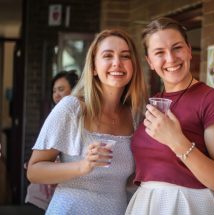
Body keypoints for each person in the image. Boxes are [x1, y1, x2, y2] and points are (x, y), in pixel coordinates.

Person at [27, 29, 147, 215]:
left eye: (125, 56)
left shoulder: (136, 115)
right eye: (108, 55)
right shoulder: (71, 108)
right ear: (93, 67)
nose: (117, 63)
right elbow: (34, 171)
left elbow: (131, 179)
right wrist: (82, 166)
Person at [126, 17, 214, 215]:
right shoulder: (153, 103)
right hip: (148, 204)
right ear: (150, 61)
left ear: (188, 50)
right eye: (159, 52)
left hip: (191, 206)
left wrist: (176, 141)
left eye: (177, 48)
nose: (170, 58)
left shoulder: (211, 100)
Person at [24, 70, 79, 211]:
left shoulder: (78, 116)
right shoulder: (54, 114)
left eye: (61, 89)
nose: (56, 94)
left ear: (75, 89)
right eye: (54, 91)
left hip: (68, 188)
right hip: (45, 190)